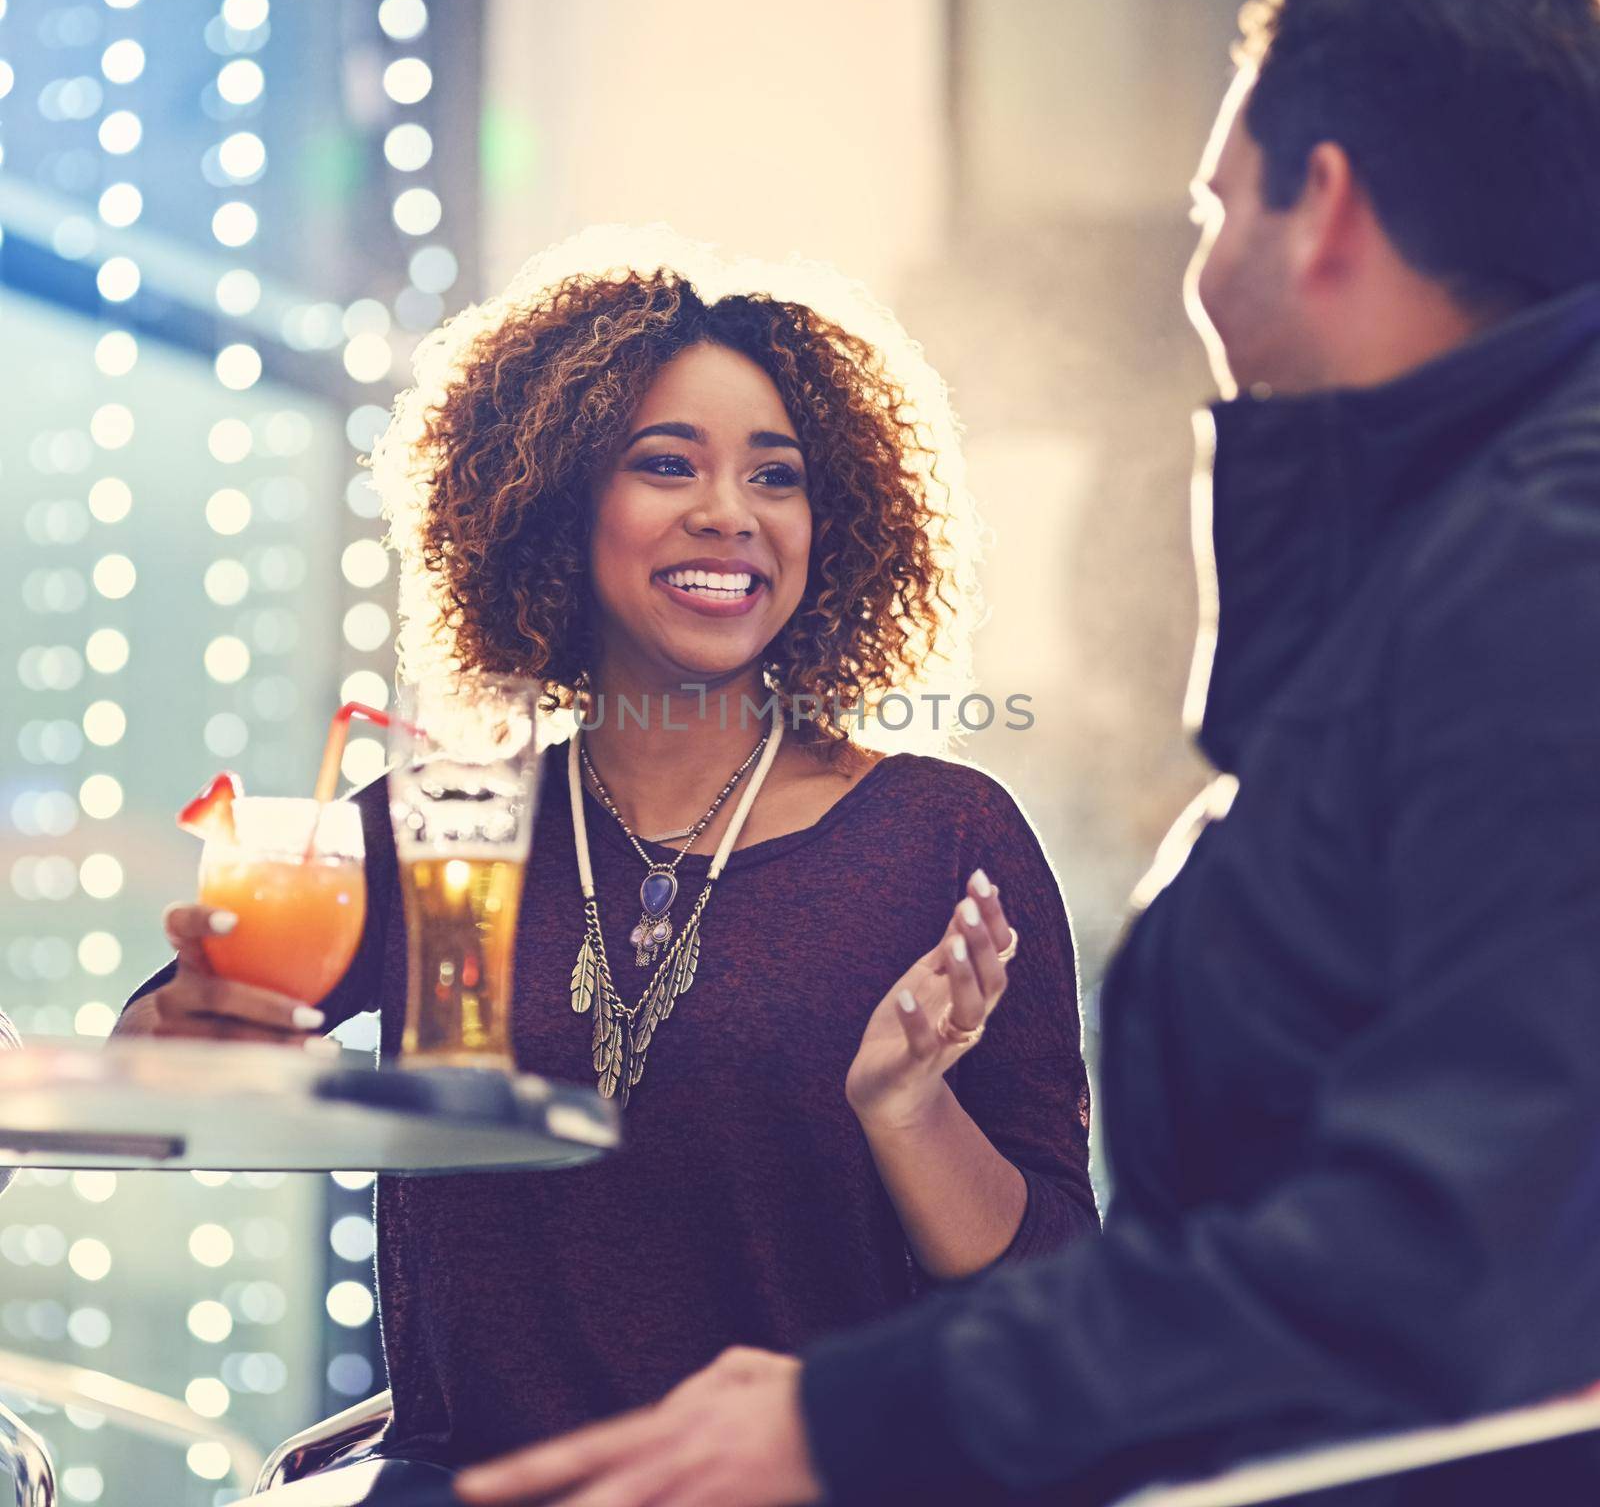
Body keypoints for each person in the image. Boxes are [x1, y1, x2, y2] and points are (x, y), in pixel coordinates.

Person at [447, 0, 1600, 1504]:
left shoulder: (1543, 568)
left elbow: (1452, 1240)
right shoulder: (1480, 556)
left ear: (1320, 205)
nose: (723, 514)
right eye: (662, 464)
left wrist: (851, 1416)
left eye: (1213, 202)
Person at [117, 236, 1098, 1471]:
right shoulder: (445, 821)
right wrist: (185, 1032)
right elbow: (171, 1055)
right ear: (557, 505)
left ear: (830, 525)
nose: (727, 513)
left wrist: (907, 1108)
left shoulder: (943, 837)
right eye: (665, 463)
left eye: (777, 476)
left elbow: (1056, 1279)